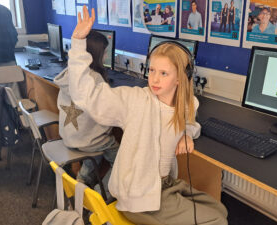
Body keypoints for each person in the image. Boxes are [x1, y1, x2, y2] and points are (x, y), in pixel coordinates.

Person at [68, 6, 228, 225]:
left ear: (180, 78)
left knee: (219, 209)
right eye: (152, 70)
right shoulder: (135, 100)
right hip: (139, 196)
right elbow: (87, 96)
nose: (154, 79)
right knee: (216, 220)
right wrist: (78, 43)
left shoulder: (186, 102)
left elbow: (190, 119)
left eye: (163, 73)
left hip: (165, 184)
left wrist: (187, 133)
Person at [54, 30, 119, 197]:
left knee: (94, 152)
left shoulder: (69, 73)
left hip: (69, 136)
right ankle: (100, 195)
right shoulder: (94, 79)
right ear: (96, 55)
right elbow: (105, 111)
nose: (106, 56)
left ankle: (81, 184)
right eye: (104, 53)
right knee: (122, 160)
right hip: (87, 140)